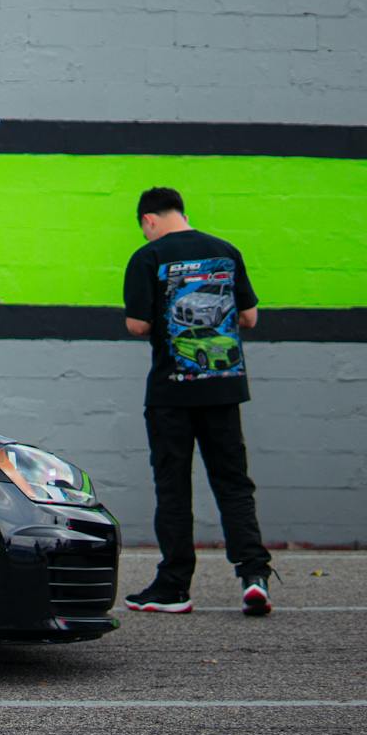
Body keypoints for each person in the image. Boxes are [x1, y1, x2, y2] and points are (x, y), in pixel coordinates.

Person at [121, 187, 275, 616]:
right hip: (223, 390)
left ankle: (173, 587)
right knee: (234, 484)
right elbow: (249, 318)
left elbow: (137, 324)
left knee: (173, 489)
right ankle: (254, 576)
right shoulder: (225, 252)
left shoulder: (147, 258)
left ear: (148, 220)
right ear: (181, 212)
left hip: (171, 393)